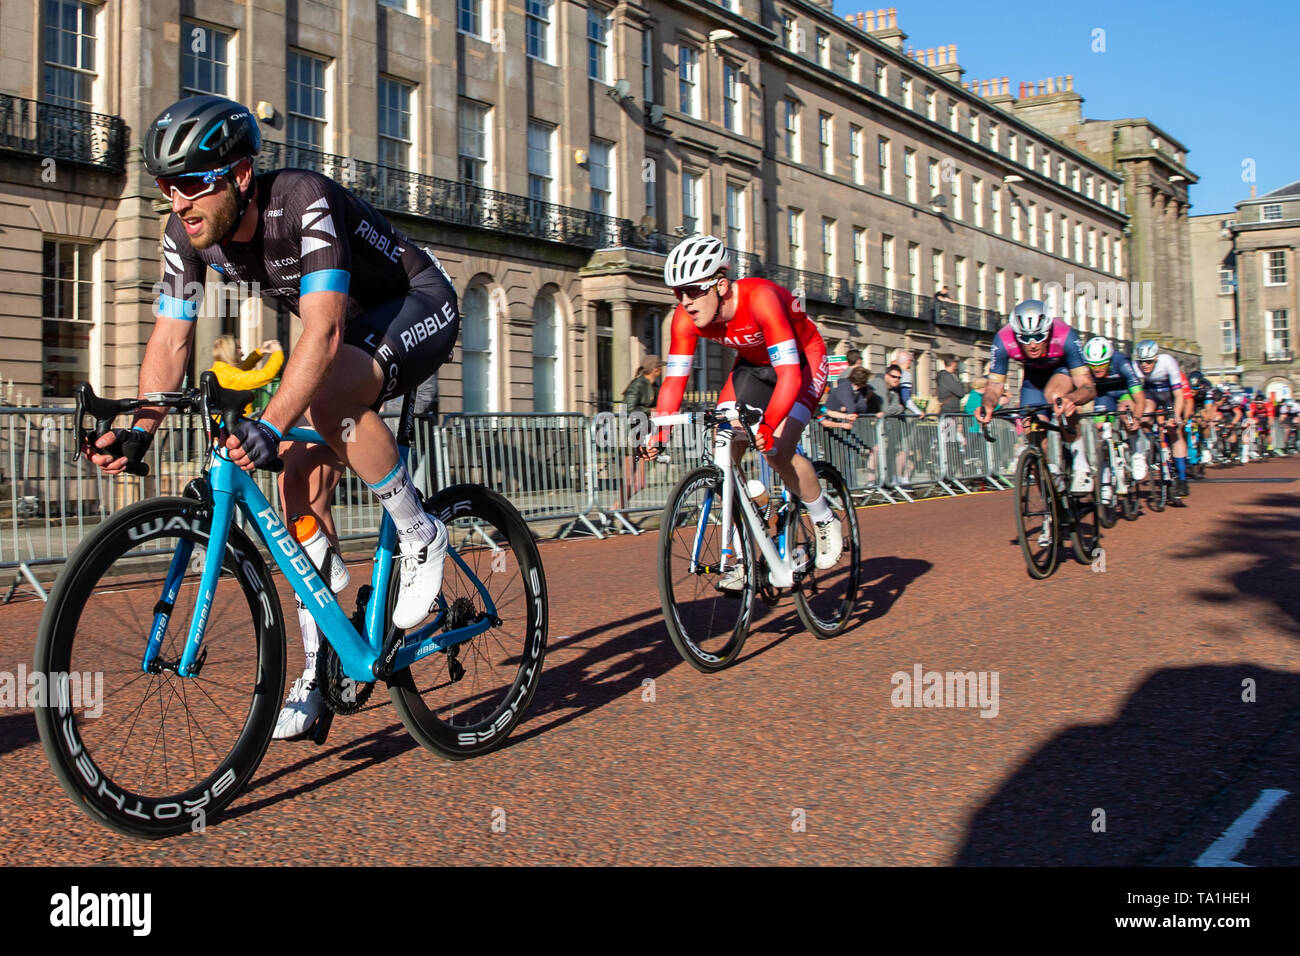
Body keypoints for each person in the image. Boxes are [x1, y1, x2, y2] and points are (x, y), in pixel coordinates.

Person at [88, 95, 461, 740]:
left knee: (321, 400)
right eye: (165, 187)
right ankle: (321, 670)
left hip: (414, 304)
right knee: (294, 493)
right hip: (346, 338)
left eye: (190, 185)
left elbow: (322, 332)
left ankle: (419, 528)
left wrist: (273, 420)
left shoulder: (301, 199)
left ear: (237, 176)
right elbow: (170, 339)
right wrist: (139, 427)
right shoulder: (186, 234)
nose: (177, 203)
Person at [645, 234, 842, 582]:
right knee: (724, 445)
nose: (685, 302)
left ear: (720, 285)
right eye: (678, 293)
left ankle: (823, 517)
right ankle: (741, 554)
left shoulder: (761, 299)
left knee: (776, 451)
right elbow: (674, 382)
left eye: (692, 291)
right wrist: (660, 431)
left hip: (803, 363)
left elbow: (789, 377)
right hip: (753, 368)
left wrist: (767, 428)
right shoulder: (685, 319)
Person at [975, 299, 1097, 499]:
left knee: (1056, 396)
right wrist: (987, 405)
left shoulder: (1065, 335)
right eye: (1025, 339)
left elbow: (1087, 386)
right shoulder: (1003, 340)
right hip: (1033, 379)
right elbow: (994, 386)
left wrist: (1072, 399)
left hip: (1063, 371)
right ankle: (1051, 503)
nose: (1032, 345)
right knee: (1033, 433)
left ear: (1048, 331)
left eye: (1039, 337)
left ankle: (1081, 463)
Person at [1081, 337, 1148, 494]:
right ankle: (1106, 482)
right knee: (1100, 429)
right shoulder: (1088, 370)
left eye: (1102, 364)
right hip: (1104, 394)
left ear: (1109, 360)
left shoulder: (1122, 363)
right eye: (1093, 365)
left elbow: (1139, 398)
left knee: (1127, 414)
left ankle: (1137, 452)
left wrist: (1136, 419)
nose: (1097, 369)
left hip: (1124, 392)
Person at [1132, 339, 1191, 499]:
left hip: (1170, 394)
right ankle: (1153, 443)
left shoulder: (1167, 362)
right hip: (1151, 393)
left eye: (1149, 362)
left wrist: (1175, 416)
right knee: (1144, 417)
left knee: (1175, 431)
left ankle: (1182, 479)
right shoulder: (1136, 366)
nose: (1145, 365)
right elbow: (1138, 395)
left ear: (1156, 358)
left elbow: (1179, 394)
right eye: (1142, 362)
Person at [619, 357, 663, 509]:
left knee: (640, 483)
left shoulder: (655, 386)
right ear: (655, 369)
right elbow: (628, 409)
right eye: (660, 367)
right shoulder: (637, 385)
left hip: (644, 435)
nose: (662, 370)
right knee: (630, 479)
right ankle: (620, 513)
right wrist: (651, 411)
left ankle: (616, 510)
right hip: (631, 434)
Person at [209, 335, 284, 412]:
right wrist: (277, 353)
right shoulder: (232, 376)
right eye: (238, 348)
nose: (242, 353)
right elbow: (266, 375)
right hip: (239, 422)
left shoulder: (216, 371)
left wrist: (259, 352)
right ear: (229, 351)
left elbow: (242, 368)